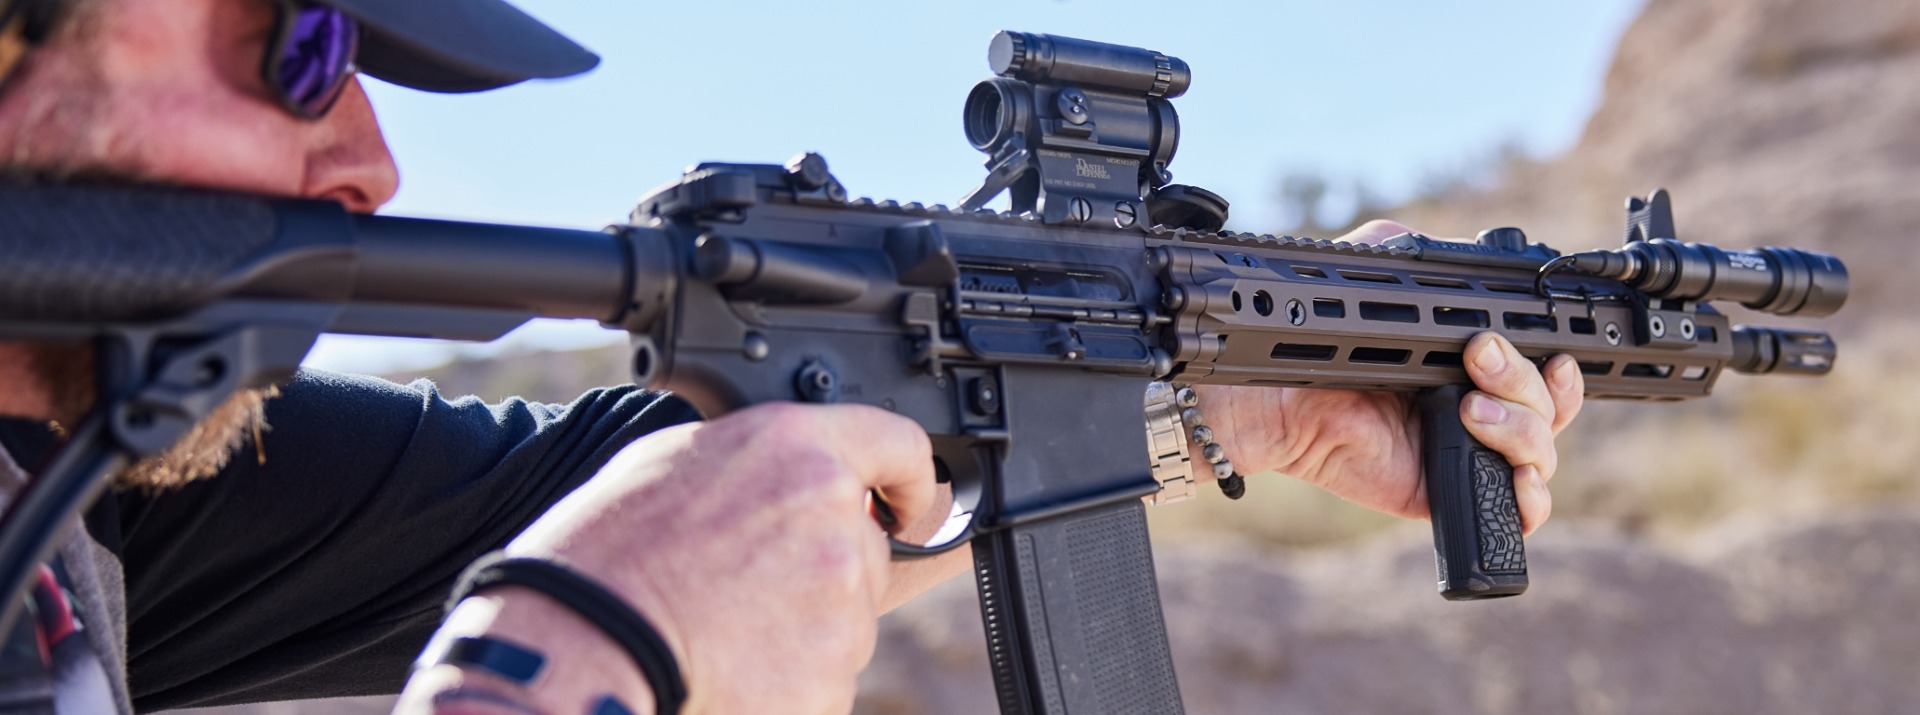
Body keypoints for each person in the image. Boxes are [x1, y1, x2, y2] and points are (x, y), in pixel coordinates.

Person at [0, 0, 1586, 712]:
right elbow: (593, 566)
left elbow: (586, 494)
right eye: (303, 49)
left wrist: (1209, 398)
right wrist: (578, 662)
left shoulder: (81, 512)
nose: (374, 163)